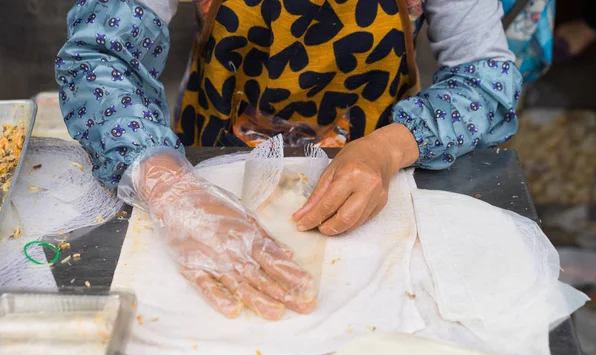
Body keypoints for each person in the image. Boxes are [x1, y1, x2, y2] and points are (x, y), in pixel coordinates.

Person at [55, 0, 522, 319]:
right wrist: (168, 186)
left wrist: (389, 148)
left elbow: (487, 78)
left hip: (376, 167)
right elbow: (99, 57)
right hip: (211, 153)